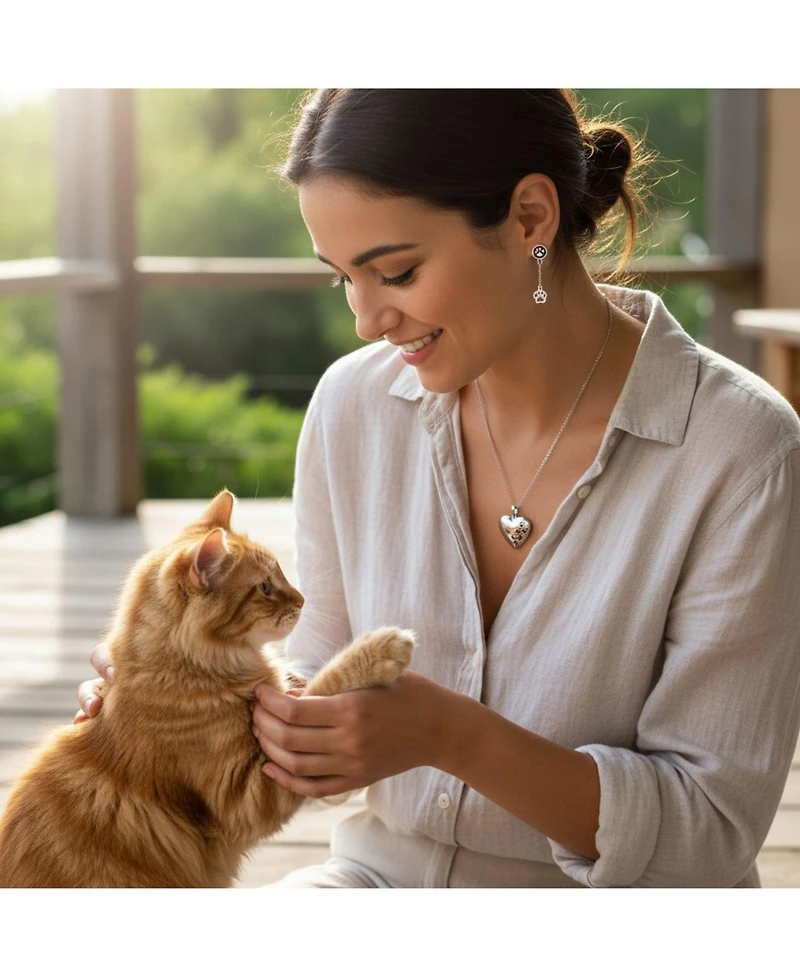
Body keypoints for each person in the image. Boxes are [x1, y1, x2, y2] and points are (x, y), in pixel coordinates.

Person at [76, 89, 800, 888]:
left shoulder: (741, 450)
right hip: (372, 886)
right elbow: (314, 696)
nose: (366, 319)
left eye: (396, 271)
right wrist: (178, 701)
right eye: (342, 278)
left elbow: (711, 832)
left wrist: (457, 737)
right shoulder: (352, 405)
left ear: (530, 217)